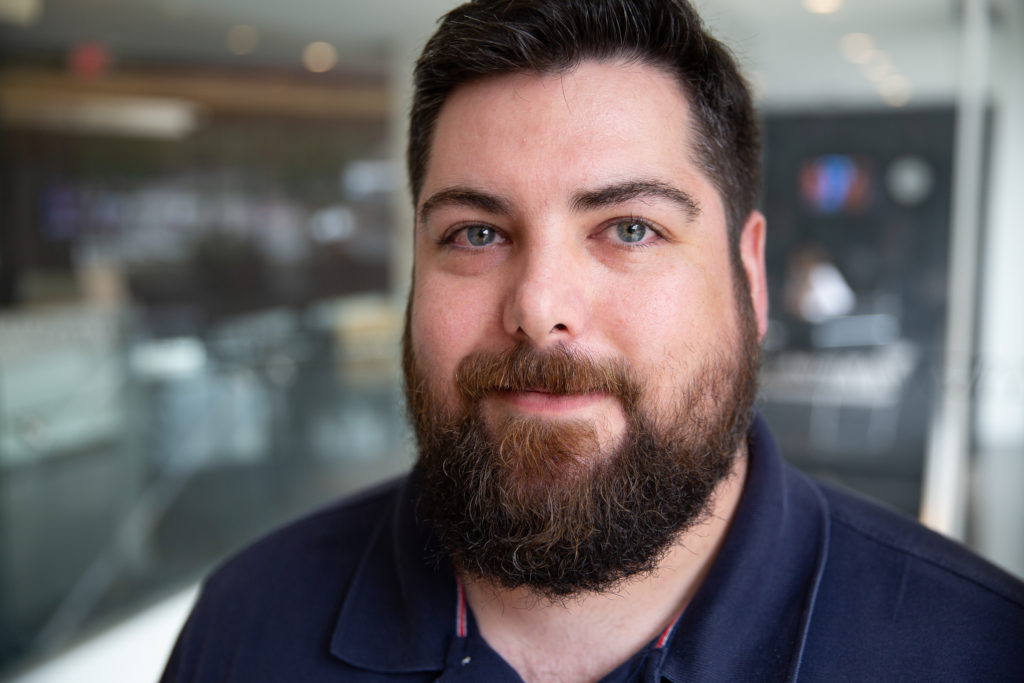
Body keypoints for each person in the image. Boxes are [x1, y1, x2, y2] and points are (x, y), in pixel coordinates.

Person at [161, 1, 1024, 680]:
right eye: (474, 234)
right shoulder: (245, 627)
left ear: (750, 278)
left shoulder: (980, 650)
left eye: (631, 228)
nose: (539, 308)